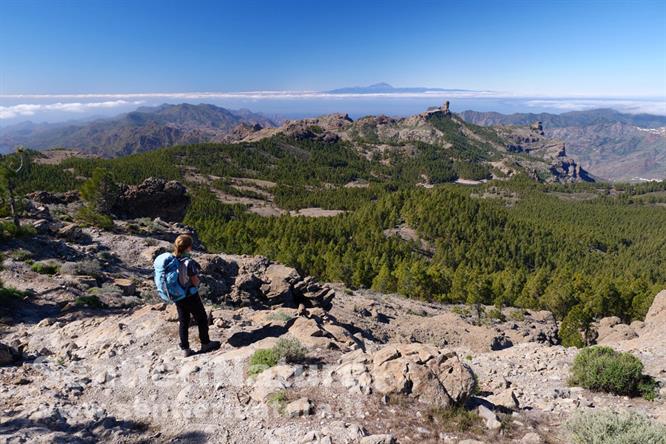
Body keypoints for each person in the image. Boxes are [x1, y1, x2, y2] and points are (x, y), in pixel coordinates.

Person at [172, 234, 220, 357]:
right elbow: (195, 281)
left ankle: (185, 349)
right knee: (202, 318)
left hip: (177, 295)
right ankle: (205, 343)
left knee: (184, 321)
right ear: (188, 247)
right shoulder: (189, 262)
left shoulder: (172, 260)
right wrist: (199, 282)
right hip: (190, 295)